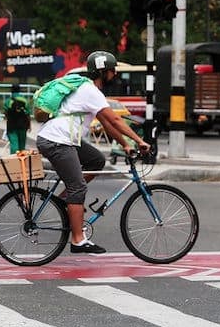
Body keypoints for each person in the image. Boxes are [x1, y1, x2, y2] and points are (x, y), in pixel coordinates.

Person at [36, 51, 150, 254]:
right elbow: (115, 119)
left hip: (64, 139)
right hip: (57, 141)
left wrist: (125, 144)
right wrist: (139, 140)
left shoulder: (87, 89)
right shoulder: (90, 91)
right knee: (77, 186)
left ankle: (64, 200)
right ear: (103, 71)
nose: (114, 74)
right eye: (112, 70)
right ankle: (78, 240)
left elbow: (107, 123)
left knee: (96, 160)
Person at [3, 84, 31, 154]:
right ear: (19, 90)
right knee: (22, 146)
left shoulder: (8, 101)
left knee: (14, 145)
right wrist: (29, 125)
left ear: (11, 90)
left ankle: (14, 160)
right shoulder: (24, 100)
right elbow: (27, 114)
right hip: (23, 125)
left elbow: (6, 113)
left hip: (12, 125)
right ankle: (22, 162)